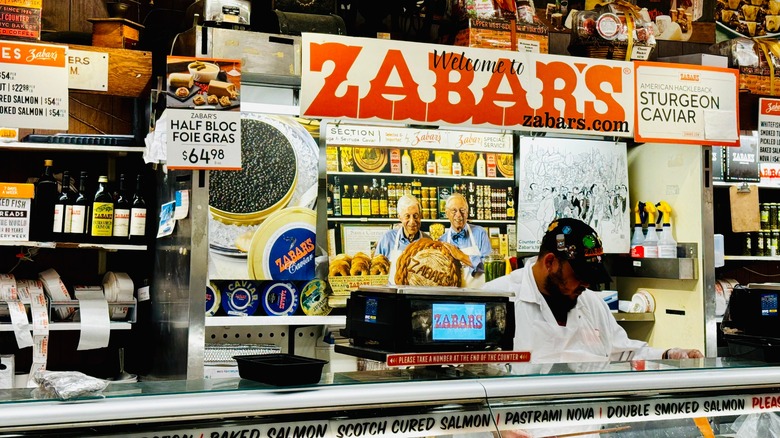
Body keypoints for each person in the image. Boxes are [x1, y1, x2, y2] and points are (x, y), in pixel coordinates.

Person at [484, 217, 703, 363]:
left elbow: (624, 354)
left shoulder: (591, 303)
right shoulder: (495, 299)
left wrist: (669, 355)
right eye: (580, 275)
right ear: (550, 262)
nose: (587, 284)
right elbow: (474, 372)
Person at [439, 193, 492, 287]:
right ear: (447, 213)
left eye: (462, 210)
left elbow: (489, 266)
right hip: (453, 295)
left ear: (467, 212)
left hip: (480, 292)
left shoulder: (480, 233)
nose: (459, 215)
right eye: (454, 211)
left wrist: (462, 256)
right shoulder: (442, 241)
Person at [375, 194, 427, 283]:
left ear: (420, 216)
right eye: (407, 216)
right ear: (400, 217)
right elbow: (376, 268)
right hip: (392, 291)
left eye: (416, 216)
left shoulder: (428, 241)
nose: (412, 221)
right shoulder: (387, 239)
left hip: (419, 291)